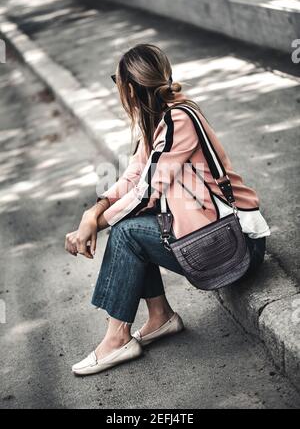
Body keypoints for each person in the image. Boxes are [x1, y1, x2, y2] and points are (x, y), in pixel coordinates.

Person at [65, 43, 270, 376]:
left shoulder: (178, 120)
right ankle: (160, 318)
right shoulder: (159, 121)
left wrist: (95, 225)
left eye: (116, 83)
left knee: (128, 232)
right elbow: (133, 175)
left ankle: (117, 338)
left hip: (238, 245)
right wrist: (92, 213)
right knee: (131, 227)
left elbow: (145, 194)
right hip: (215, 236)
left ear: (129, 88)